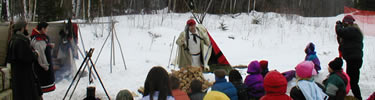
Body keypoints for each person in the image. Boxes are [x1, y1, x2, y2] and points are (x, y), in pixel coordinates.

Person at [7, 20, 42, 100]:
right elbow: (28, 57)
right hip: (24, 76)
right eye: (26, 27)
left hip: (17, 75)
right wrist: (36, 54)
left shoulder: (12, 40)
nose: (27, 29)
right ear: (22, 28)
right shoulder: (21, 41)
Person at [335, 15, 364, 100]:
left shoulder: (353, 30)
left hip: (353, 59)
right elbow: (341, 39)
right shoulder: (352, 32)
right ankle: (357, 97)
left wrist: (338, 25)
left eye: (344, 24)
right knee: (351, 80)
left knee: (353, 82)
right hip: (353, 59)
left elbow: (340, 31)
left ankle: (358, 97)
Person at [30, 22, 56, 93]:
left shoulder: (40, 38)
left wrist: (48, 46)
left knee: (39, 91)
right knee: (40, 89)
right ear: (42, 29)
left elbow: (43, 48)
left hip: (40, 68)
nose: (47, 30)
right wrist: (45, 66)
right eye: (46, 29)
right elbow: (41, 55)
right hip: (41, 70)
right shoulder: (39, 40)